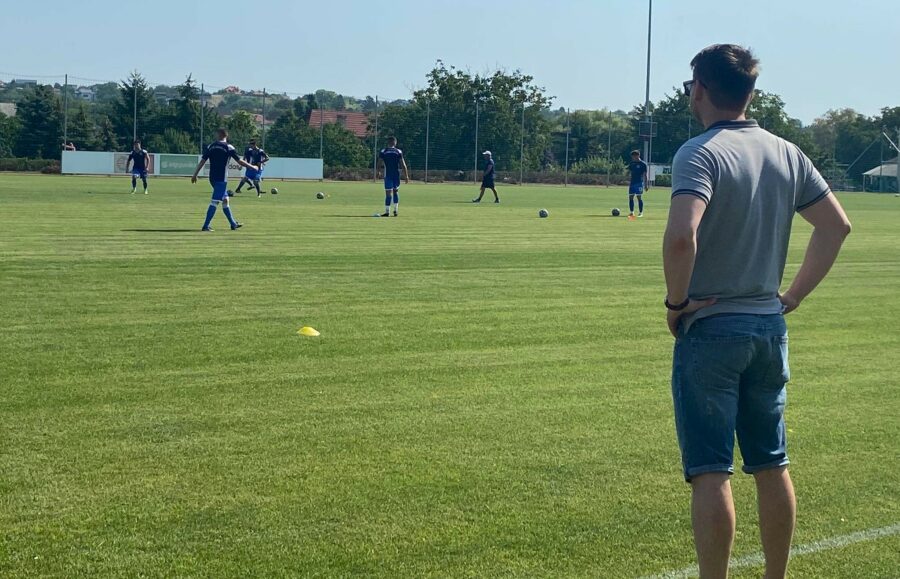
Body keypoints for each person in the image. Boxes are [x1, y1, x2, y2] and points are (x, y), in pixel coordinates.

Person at [663, 44, 851, 579]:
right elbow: (836, 226)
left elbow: (681, 236)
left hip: (712, 330)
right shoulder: (787, 152)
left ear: (700, 89)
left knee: (711, 472)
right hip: (769, 328)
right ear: (749, 92)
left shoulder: (699, 152)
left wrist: (676, 303)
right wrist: (793, 295)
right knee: (771, 464)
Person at [191, 128, 258, 232]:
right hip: (221, 178)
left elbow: (203, 161)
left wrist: (195, 174)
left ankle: (233, 224)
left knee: (226, 200)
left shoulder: (211, 146)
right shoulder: (228, 147)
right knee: (215, 202)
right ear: (226, 135)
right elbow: (239, 161)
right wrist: (252, 167)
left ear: (218, 135)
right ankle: (206, 226)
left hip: (212, 177)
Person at [378, 136, 409, 217]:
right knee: (395, 191)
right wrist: (406, 176)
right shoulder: (398, 151)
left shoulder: (383, 151)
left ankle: (387, 212)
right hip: (396, 175)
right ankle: (395, 211)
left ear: (388, 142)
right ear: (395, 143)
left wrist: (378, 171)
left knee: (388, 193)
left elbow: (379, 162)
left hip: (387, 174)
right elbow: (403, 164)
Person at [628, 150, 648, 217]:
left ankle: (640, 212)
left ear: (638, 156)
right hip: (632, 183)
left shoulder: (643, 164)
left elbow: (645, 175)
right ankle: (632, 212)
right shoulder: (631, 163)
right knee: (631, 197)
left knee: (639, 197)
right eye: (632, 157)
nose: (633, 158)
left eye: (634, 156)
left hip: (639, 183)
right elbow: (630, 173)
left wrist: (646, 185)